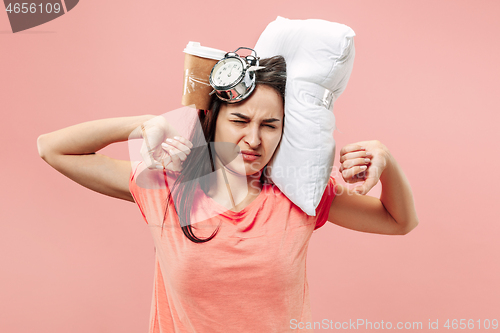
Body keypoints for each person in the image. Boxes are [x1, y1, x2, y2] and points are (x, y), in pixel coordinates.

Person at [37, 55, 418, 332]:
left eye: (270, 125)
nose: (253, 139)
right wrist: (141, 125)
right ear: (213, 119)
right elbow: (52, 148)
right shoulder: (168, 186)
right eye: (239, 120)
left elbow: (399, 221)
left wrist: (387, 160)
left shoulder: (300, 193)